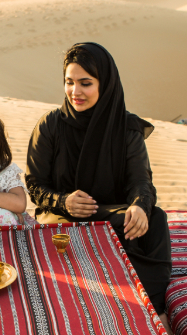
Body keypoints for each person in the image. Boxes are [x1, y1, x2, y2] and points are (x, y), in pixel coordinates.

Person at [25, 42, 172, 319]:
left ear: (105, 84)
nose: (75, 92)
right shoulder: (50, 126)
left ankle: (154, 311)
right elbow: (34, 185)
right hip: (61, 218)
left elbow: (141, 182)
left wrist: (140, 205)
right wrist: (63, 201)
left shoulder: (127, 129)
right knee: (64, 241)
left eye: (85, 83)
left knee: (155, 221)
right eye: (69, 82)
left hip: (108, 214)